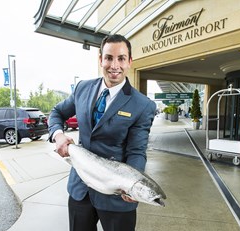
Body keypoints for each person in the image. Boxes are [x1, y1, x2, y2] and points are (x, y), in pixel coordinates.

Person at [48, 34, 156, 231]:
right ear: (100, 60)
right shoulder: (82, 88)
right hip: (80, 191)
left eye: (121, 58)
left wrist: (133, 185)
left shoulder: (143, 105)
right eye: (109, 58)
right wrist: (58, 134)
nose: (114, 65)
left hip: (117, 198)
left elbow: (137, 151)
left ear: (130, 62)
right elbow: (56, 113)